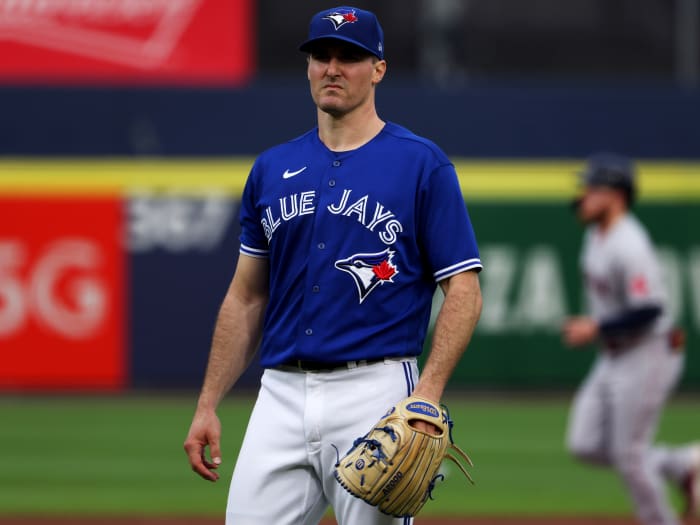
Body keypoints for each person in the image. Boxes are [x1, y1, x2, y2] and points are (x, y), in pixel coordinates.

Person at [183, 6, 483, 525]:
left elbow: (464, 289)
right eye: (321, 56)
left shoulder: (421, 164)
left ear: (379, 68)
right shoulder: (272, 168)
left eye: (350, 57)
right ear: (308, 67)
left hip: (375, 393)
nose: (333, 68)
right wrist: (208, 402)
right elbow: (247, 295)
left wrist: (428, 394)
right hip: (279, 393)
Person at [562, 152, 700, 525]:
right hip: (615, 354)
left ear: (616, 195)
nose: (583, 194)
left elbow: (650, 309)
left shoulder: (630, 243)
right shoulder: (595, 234)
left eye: (592, 187)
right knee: (584, 443)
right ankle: (683, 464)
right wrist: (601, 330)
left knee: (630, 456)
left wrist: (596, 328)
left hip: (650, 351)